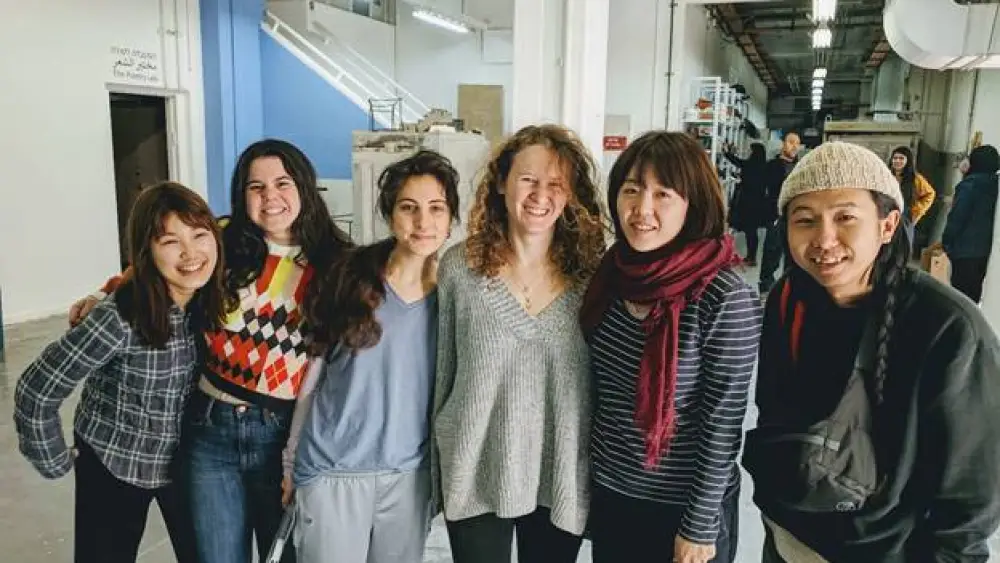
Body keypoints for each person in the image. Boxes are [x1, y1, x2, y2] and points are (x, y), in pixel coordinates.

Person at [68, 139, 354, 563]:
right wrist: (103, 292)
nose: (270, 197)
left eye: (283, 183)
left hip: (282, 434)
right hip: (208, 432)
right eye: (256, 187)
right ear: (241, 194)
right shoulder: (221, 239)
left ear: (305, 187)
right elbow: (156, 268)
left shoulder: (339, 263)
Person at [743, 141, 1000, 562]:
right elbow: (773, 410)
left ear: (887, 225)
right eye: (804, 220)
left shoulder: (949, 328)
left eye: (845, 217)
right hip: (787, 539)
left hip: (883, 551)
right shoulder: (788, 299)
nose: (824, 239)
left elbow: (970, 497)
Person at [14, 182, 226, 563]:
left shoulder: (212, 299)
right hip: (114, 460)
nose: (191, 253)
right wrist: (54, 460)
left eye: (199, 234)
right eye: (170, 241)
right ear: (147, 251)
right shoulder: (119, 317)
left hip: (184, 462)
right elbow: (36, 388)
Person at [580, 131, 762, 563]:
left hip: (683, 509)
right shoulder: (611, 275)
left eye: (663, 194)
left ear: (692, 204)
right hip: (614, 494)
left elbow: (723, 423)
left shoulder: (723, 295)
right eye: (631, 190)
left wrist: (699, 524)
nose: (642, 209)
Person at [431, 124, 606, 563]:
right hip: (475, 470)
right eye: (527, 179)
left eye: (555, 184)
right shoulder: (460, 269)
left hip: (559, 475)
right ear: (502, 183)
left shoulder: (594, 277)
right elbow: (441, 376)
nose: (539, 195)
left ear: (571, 195)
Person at [281, 150, 461, 563]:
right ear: (389, 214)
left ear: (451, 217)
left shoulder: (455, 294)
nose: (423, 222)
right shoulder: (350, 278)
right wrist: (291, 461)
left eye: (436, 208)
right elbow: (313, 377)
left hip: (408, 477)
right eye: (408, 208)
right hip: (333, 471)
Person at [943, 144, 1000, 304]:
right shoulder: (995, 184)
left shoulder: (969, 185)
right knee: (974, 296)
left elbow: (957, 217)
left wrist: (947, 242)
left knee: (960, 298)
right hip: (984, 251)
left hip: (964, 249)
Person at [758, 131, 801, 293]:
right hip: (776, 215)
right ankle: (765, 286)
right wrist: (770, 212)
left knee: (793, 253)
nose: (794, 146)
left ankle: (788, 287)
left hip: (795, 216)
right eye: (791, 142)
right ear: (783, 144)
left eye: (797, 143)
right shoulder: (772, 166)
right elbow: (762, 190)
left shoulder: (800, 167)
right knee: (772, 251)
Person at [723, 142, 769, 265]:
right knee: (752, 231)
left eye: (751, 151)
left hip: (747, 202)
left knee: (750, 231)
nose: (749, 152)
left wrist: (726, 152)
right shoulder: (765, 167)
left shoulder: (750, 165)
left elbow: (737, 161)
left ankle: (751, 258)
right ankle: (752, 256)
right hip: (759, 203)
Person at [888, 146, 936, 248]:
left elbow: (930, 194)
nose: (897, 161)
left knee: (901, 248)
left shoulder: (915, 179)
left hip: (905, 219)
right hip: (887, 216)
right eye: (895, 158)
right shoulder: (886, 176)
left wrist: (915, 212)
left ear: (908, 161)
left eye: (901, 158)